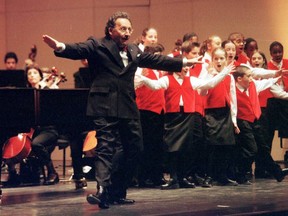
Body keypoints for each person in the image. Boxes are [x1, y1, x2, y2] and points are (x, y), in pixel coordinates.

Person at [42, 11, 201, 209]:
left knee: (134, 148)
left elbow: (155, 60)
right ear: (111, 30)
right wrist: (60, 47)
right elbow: (79, 49)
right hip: (104, 105)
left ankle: (117, 192)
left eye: (129, 29)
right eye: (122, 28)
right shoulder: (98, 44)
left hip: (127, 105)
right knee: (106, 147)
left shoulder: (134, 49)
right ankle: (101, 190)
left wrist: (184, 62)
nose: (126, 32)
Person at [137, 47, 235, 189]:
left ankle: (182, 178)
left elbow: (210, 84)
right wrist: (143, 78)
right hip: (173, 117)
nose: (187, 69)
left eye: (188, 67)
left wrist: (224, 73)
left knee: (186, 149)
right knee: (171, 148)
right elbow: (154, 86)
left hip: (187, 117)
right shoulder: (167, 79)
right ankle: (174, 178)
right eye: (184, 66)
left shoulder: (192, 80)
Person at [232, 65, 288, 184]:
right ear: (239, 79)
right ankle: (240, 173)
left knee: (263, 148)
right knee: (252, 149)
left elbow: (266, 83)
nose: (251, 78)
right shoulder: (232, 89)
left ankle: (277, 173)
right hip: (243, 121)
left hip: (255, 120)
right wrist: (234, 123)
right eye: (248, 76)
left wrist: (275, 76)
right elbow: (232, 107)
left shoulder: (253, 85)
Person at [6, 64, 59, 185]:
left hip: (48, 129)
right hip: (31, 130)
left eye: (35, 73)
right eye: (29, 74)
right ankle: (13, 174)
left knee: (36, 144)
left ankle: (52, 172)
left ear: (40, 76)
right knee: (8, 142)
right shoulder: (25, 94)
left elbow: (53, 110)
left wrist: (44, 87)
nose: (32, 76)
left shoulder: (47, 90)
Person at [201, 47, 239, 187]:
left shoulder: (229, 77)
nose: (219, 61)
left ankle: (222, 175)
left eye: (221, 58)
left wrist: (234, 120)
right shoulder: (209, 75)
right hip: (212, 113)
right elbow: (202, 92)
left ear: (226, 59)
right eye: (216, 58)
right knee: (213, 146)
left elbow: (233, 99)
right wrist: (212, 76)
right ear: (212, 60)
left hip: (225, 113)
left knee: (226, 146)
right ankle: (209, 176)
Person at [135, 43, 166, 188]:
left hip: (160, 112)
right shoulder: (141, 70)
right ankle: (144, 176)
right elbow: (133, 85)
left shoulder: (162, 72)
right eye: (156, 56)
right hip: (145, 111)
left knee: (157, 145)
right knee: (146, 145)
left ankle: (156, 176)